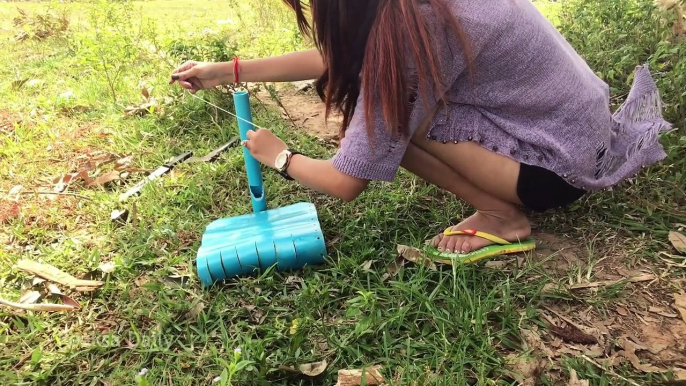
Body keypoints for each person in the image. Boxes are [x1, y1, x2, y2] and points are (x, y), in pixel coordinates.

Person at [170, 0, 671, 261]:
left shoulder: (417, 30)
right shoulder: (418, 10)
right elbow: (347, 56)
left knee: (386, 122)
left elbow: (348, 181)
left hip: (556, 168)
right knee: (381, 106)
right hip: (579, 133)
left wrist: (279, 156)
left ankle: (504, 217)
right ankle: (500, 202)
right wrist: (225, 71)